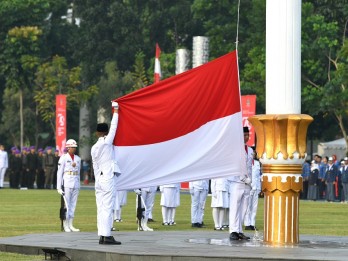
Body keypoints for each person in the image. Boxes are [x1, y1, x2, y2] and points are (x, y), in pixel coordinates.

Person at [91, 101, 121, 245]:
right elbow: (114, 127)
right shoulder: (106, 142)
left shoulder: (94, 147)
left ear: (97, 133)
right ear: (106, 132)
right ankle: (107, 235)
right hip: (108, 178)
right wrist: (116, 111)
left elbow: (95, 166)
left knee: (101, 208)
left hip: (99, 180)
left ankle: (102, 235)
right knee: (108, 207)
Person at [228, 126, 253, 240]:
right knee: (235, 207)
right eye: (244, 135)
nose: (246, 137)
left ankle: (239, 230)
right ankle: (233, 230)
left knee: (244, 208)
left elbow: (250, 167)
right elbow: (237, 166)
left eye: (247, 135)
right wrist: (243, 178)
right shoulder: (236, 149)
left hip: (247, 183)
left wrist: (250, 181)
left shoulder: (250, 150)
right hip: (237, 182)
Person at [57, 139, 81, 232]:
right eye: (72, 147)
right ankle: (65, 224)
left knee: (73, 205)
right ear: (68, 148)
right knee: (67, 205)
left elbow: (78, 172)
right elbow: (59, 173)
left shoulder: (78, 159)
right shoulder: (63, 158)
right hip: (67, 183)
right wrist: (59, 187)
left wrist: (79, 184)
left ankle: (71, 224)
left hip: (75, 183)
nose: (74, 149)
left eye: (75, 147)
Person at [244, 149, 262, 231]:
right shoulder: (247, 163)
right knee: (248, 206)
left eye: (254, 153)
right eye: (252, 153)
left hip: (256, 187)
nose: (253, 154)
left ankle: (252, 223)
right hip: (249, 186)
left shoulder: (258, 163)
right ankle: (247, 223)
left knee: (254, 207)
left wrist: (260, 188)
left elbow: (259, 177)